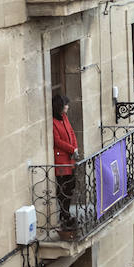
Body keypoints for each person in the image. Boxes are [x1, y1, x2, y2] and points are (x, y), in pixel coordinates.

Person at [52, 93, 79, 232]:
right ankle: (64, 214)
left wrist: (75, 147)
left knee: (70, 186)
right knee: (63, 188)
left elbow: (71, 133)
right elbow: (57, 141)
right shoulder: (53, 122)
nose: (67, 107)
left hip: (70, 158)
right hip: (61, 159)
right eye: (65, 105)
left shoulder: (64, 118)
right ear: (59, 107)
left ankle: (66, 212)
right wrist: (71, 148)